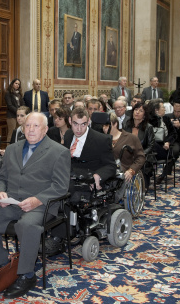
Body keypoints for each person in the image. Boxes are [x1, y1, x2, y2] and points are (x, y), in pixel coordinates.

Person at [0, 112, 71, 299]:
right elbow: (1, 178)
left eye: (36, 126)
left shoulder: (59, 151)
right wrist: (0, 191)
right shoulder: (12, 149)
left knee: (26, 225)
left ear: (45, 130)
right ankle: (6, 267)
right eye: (27, 126)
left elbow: (61, 187)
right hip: (11, 201)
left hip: (41, 204)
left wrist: (37, 199)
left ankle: (27, 275)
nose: (30, 129)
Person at [45, 107, 116, 254]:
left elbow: (110, 166)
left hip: (86, 181)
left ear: (88, 122)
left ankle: (58, 238)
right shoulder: (69, 134)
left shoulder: (101, 139)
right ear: (70, 121)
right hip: (67, 176)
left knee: (63, 194)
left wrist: (98, 175)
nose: (79, 128)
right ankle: (45, 226)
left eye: (83, 124)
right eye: (76, 124)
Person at [108, 112, 145, 181]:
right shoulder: (101, 138)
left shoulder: (131, 138)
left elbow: (140, 157)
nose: (104, 128)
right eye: (103, 126)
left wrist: (132, 170)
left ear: (115, 124)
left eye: (107, 125)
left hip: (124, 173)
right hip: (106, 172)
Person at [4, 78, 25, 143]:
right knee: (11, 132)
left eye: (18, 84)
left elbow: (23, 104)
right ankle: (8, 148)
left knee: (19, 132)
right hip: (11, 116)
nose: (17, 85)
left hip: (19, 116)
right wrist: (18, 112)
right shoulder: (8, 93)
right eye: (16, 83)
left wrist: (22, 111)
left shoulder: (19, 94)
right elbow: (9, 105)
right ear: (12, 84)